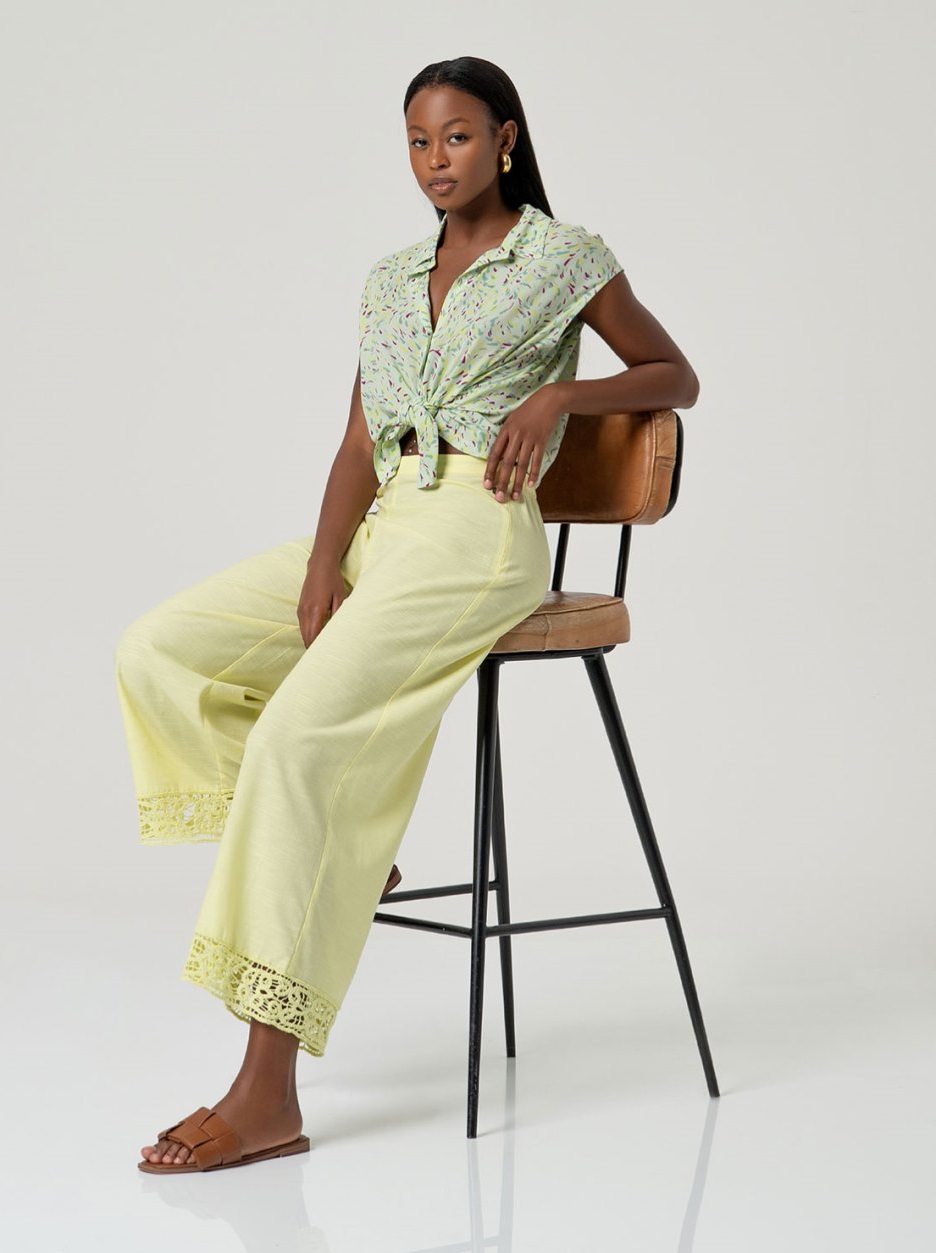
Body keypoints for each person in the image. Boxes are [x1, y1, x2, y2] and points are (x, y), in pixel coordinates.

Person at [115, 55, 699, 1174]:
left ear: (507, 140)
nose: (437, 161)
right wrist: (322, 562)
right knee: (160, 651)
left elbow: (675, 374)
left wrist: (561, 397)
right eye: (420, 143)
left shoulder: (563, 256)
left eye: (459, 137)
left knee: (296, 740)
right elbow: (356, 442)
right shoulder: (389, 281)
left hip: (478, 537)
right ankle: (338, 859)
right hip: (386, 522)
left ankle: (265, 1093)